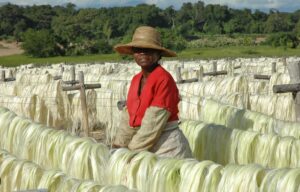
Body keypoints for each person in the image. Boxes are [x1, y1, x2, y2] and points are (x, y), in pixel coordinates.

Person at [113, 26, 192, 158]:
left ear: (159, 54)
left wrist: (130, 152)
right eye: (138, 50)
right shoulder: (135, 80)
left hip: (166, 147)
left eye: (149, 50)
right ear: (133, 53)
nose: (143, 53)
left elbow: (153, 122)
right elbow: (129, 116)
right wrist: (118, 145)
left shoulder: (164, 79)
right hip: (141, 145)